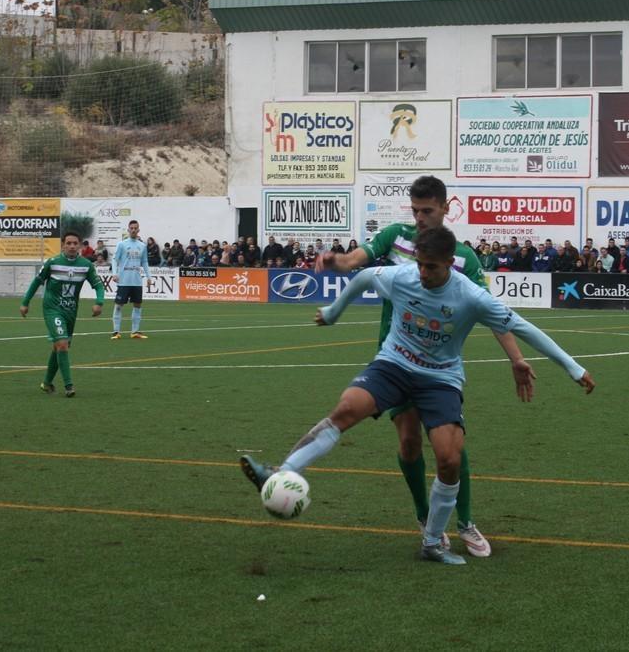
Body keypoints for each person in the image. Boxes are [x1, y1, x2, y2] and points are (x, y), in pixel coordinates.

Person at [242, 227, 595, 565]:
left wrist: (573, 368)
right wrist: (334, 313)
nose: (422, 273)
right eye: (420, 264)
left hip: (440, 379)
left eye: (431, 267)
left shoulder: (470, 295)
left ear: (448, 264)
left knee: (449, 459)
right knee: (347, 408)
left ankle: (432, 543)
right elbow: (363, 277)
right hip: (393, 364)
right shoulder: (403, 276)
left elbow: (522, 326)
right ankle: (279, 472)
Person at [313, 175, 533, 557]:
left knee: (450, 447)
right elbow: (357, 261)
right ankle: (424, 515)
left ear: (446, 208)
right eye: (415, 210)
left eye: (427, 210)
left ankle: (465, 521)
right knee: (409, 441)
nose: (419, 218)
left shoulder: (463, 256)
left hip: (437, 364)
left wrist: (516, 358)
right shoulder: (394, 236)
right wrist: (337, 262)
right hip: (394, 357)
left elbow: (493, 313)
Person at [20, 231, 105, 397]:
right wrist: (25, 302)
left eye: (75, 243)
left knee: (59, 347)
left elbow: (98, 285)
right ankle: (69, 386)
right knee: (62, 344)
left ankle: (46, 383)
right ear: (63, 245)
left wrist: (99, 302)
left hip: (71, 311)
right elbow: (37, 282)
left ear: (80, 245)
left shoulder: (86, 265)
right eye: (69, 243)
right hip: (52, 309)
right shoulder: (53, 262)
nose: (72, 246)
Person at [110, 220, 151, 340]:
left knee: (137, 305)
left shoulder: (142, 246)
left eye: (135, 228)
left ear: (138, 230)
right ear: (128, 230)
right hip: (124, 280)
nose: (133, 230)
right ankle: (116, 332)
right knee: (118, 305)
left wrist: (149, 277)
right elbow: (114, 259)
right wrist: (114, 274)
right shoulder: (122, 244)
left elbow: (144, 262)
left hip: (136, 281)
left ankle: (135, 332)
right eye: (131, 228)